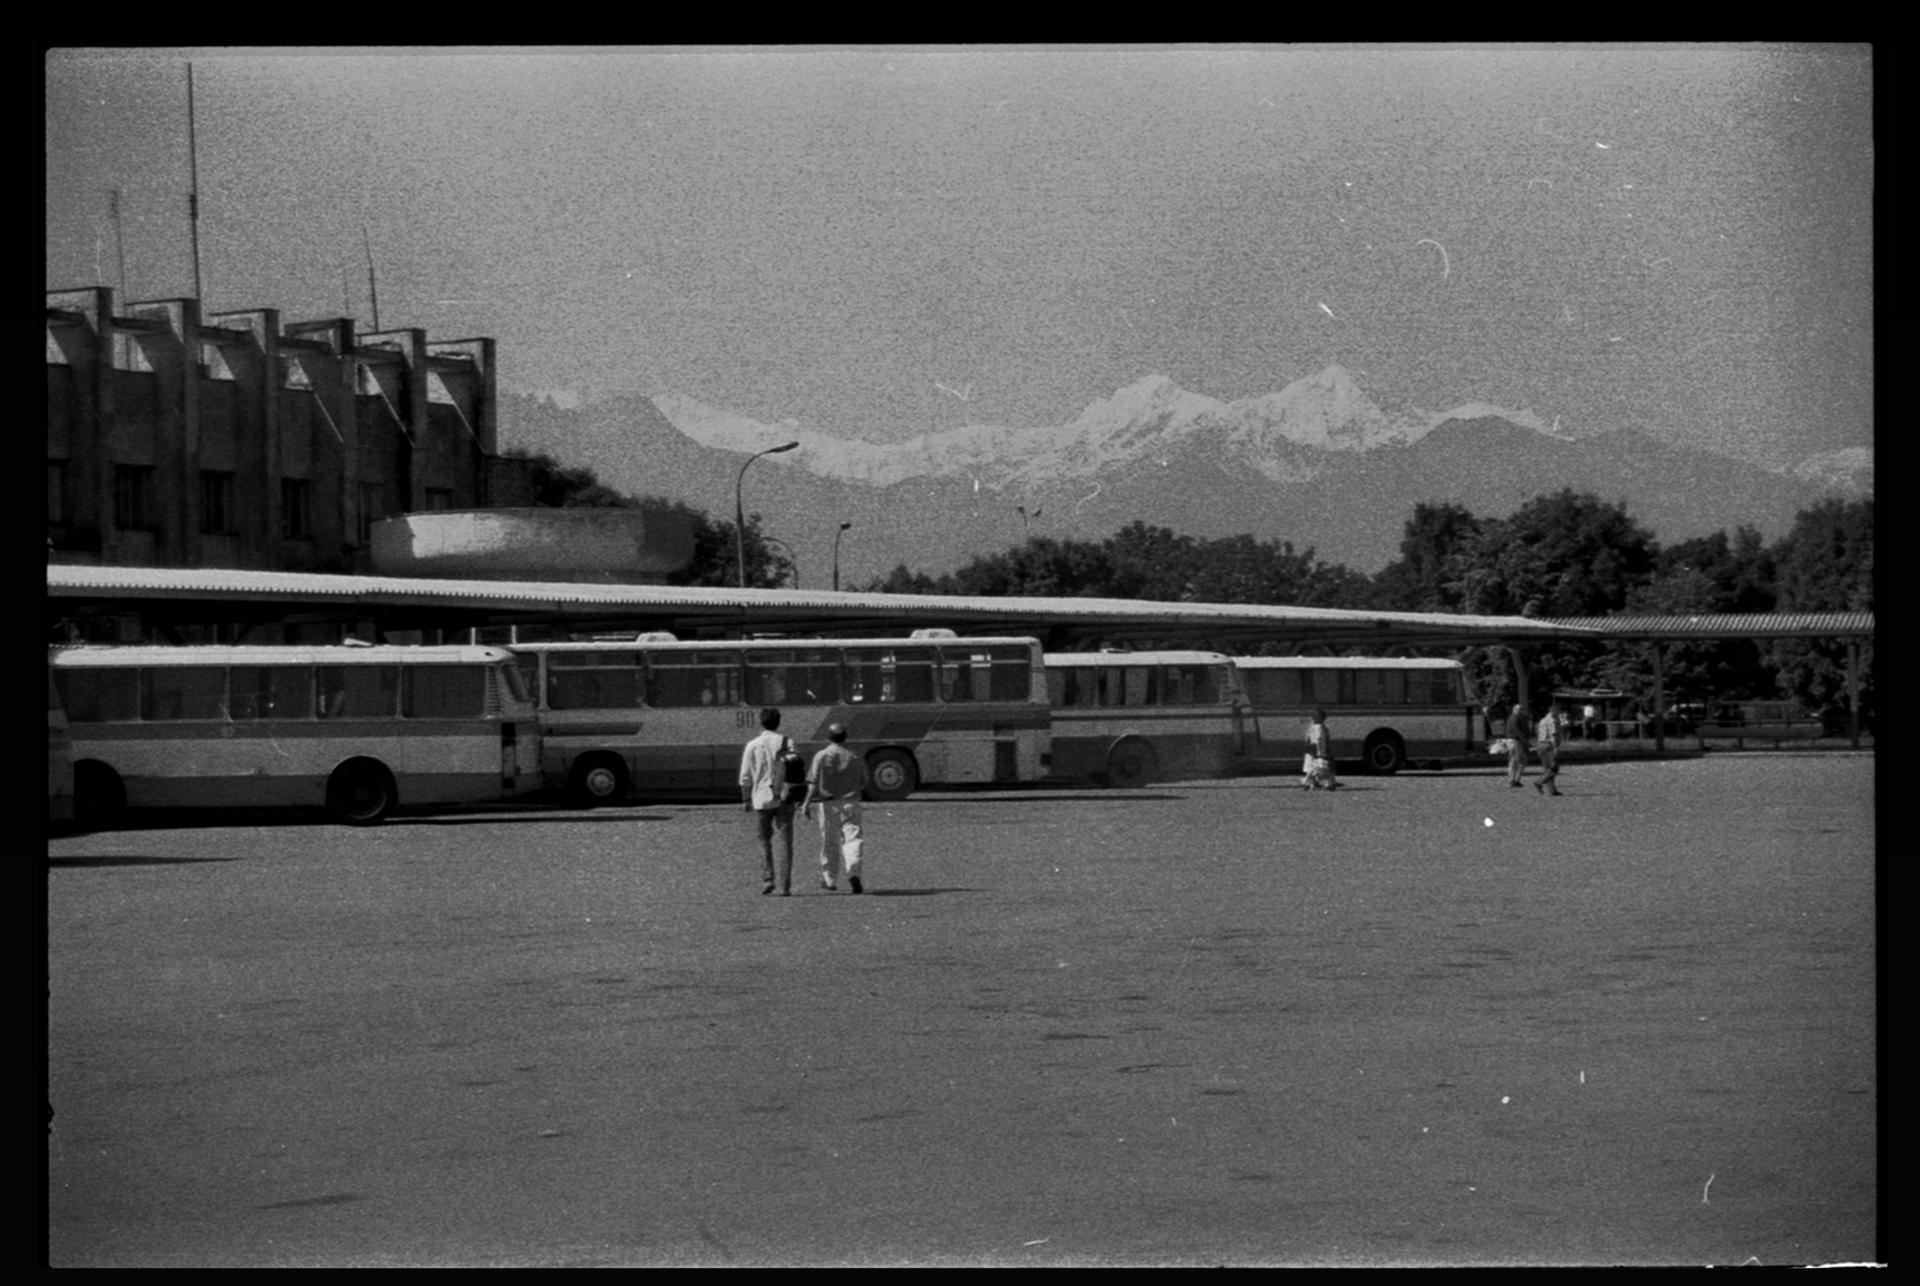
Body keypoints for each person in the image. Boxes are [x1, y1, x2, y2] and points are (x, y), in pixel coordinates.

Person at [803, 723, 870, 893]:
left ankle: (830, 879)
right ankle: (853, 870)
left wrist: (806, 803)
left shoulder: (821, 756)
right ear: (845, 737)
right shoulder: (854, 756)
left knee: (829, 841)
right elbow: (865, 780)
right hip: (851, 802)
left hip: (828, 803)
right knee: (853, 838)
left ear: (829, 737)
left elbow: (813, 782)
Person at [739, 707, 798, 896]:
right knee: (785, 841)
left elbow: (745, 777)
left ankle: (768, 878)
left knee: (764, 839)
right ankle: (785, 886)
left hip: (761, 799)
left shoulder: (752, 745)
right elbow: (795, 770)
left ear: (761, 722)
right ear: (778, 722)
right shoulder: (788, 742)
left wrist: (746, 799)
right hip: (785, 797)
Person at [1302, 708, 1337, 790]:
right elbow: (1319, 739)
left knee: (1313, 768)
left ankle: (1310, 783)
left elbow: (1309, 739)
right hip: (1318, 750)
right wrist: (1322, 751)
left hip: (1311, 750)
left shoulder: (1312, 727)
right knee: (1324, 767)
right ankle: (1328, 783)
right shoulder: (1320, 727)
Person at [1534, 705, 1565, 796]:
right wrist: (1556, 748)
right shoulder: (1552, 721)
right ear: (1553, 712)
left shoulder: (1542, 720)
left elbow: (1539, 734)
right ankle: (1539, 782)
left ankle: (1552, 790)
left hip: (1541, 744)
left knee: (1547, 769)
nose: (1559, 715)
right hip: (1549, 745)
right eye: (1558, 713)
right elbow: (1554, 735)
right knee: (1554, 768)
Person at [1505, 703, 1532, 787]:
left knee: (1521, 761)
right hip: (1514, 742)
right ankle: (1512, 781)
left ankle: (1516, 780)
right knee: (1515, 761)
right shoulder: (1513, 719)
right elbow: (1517, 732)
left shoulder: (1518, 718)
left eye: (1522, 709)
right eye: (1519, 709)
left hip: (1517, 742)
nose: (1521, 711)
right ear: (1514, 710)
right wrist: (1525, 742)